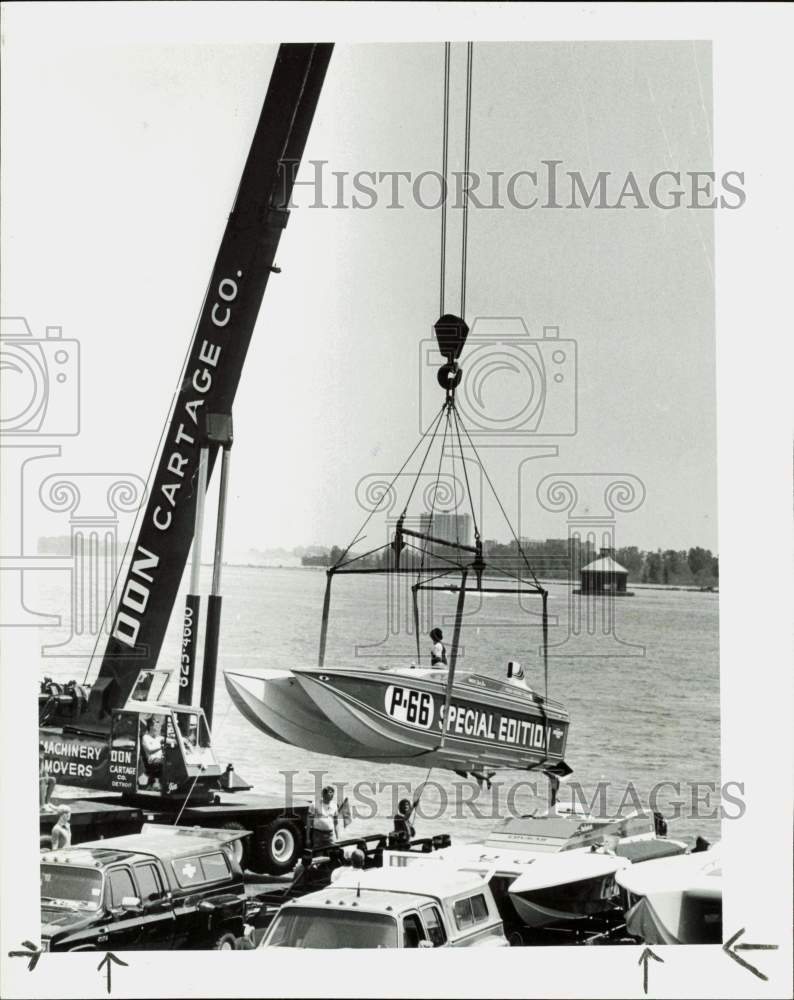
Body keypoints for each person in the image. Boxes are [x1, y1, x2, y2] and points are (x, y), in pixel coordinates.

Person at [307, 785, 339, 850]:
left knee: (332, 854)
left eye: (333, 792)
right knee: (318, 855)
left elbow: (336, 823)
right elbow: (309, 823)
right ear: (323, 794)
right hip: (317, 834)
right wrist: (308, 838)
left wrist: (337, 837)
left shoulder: (334, 806)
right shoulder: (314, 804)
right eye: (330, 792)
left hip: (330, 835)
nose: (332, 794)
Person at [141, 716, 164, 788]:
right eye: (155, 724)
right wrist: (161, 747)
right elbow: (149, 750)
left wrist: (183, 740)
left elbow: (173, 741)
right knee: (163, 763)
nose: (158, 727)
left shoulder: (159, 738)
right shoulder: (145, 737)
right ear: (150, 727)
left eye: (158, 725)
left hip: (160, 759)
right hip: (151, 761)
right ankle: (157, 783)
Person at [39, 745, 57, 813]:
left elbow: (45, 773)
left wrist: (46, 775)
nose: (42, 754)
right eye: (40, 752)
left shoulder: (41, 760)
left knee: (53, 779)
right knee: (42, 780)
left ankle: (47, 803)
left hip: (39, 779)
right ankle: (42, 806)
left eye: (43, 752)